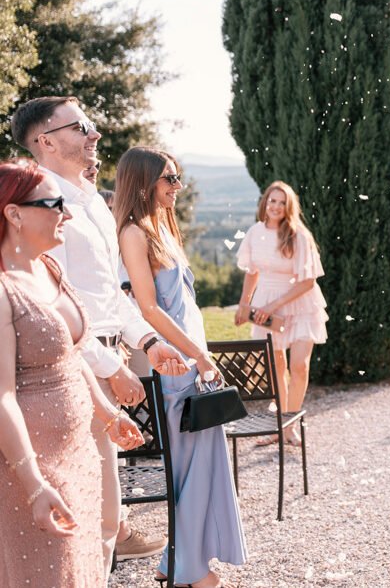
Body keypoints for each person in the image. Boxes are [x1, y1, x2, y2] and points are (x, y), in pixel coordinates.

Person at [8, 95, 189, 569]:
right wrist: (110, 370)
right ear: (45, 141)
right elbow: (56, 310)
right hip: (69, 371)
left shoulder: (93, 203)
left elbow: (111, 297)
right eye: (81, 126)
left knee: (104, 516)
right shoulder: (40, 207)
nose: (96, 134)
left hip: (110, 356)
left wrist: (147, 342)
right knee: (93, 516)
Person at [0, 159, 145, 586]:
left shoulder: (50, 268)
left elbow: (73, 354)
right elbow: (2, 397)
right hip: (31, 470)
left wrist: (106, 413)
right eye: (54, 203)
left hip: (78, 456)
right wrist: (33, 484)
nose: (67, 213)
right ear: (13, 213)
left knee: (82, 569)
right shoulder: (3, 289)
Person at [115, 147, 247, 588]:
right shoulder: (133, 234)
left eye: (177, 178)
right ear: (144, 181)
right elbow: (150, 309)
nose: (176, 186)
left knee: (205, 465)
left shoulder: (163, 229)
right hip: (176, 365)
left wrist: (201, 356)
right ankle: (191, 572)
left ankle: (176, 563)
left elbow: (184, 304)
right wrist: (199, 355)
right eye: (169, 178)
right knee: (187, 470)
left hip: (193, 361)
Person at [235, 181, 329, 446]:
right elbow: (252, 271)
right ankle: (279, 427)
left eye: (281, 202)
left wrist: (272, 307)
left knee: (299, 366)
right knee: (276, 367)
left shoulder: (299, 235)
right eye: (272, 201)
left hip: (299, 305)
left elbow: (307, 282)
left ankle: (290, 424)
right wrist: (245, 305)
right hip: (266, 305)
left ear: (289, 207)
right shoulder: (255, 232)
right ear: (265, 203)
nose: (275, 206)